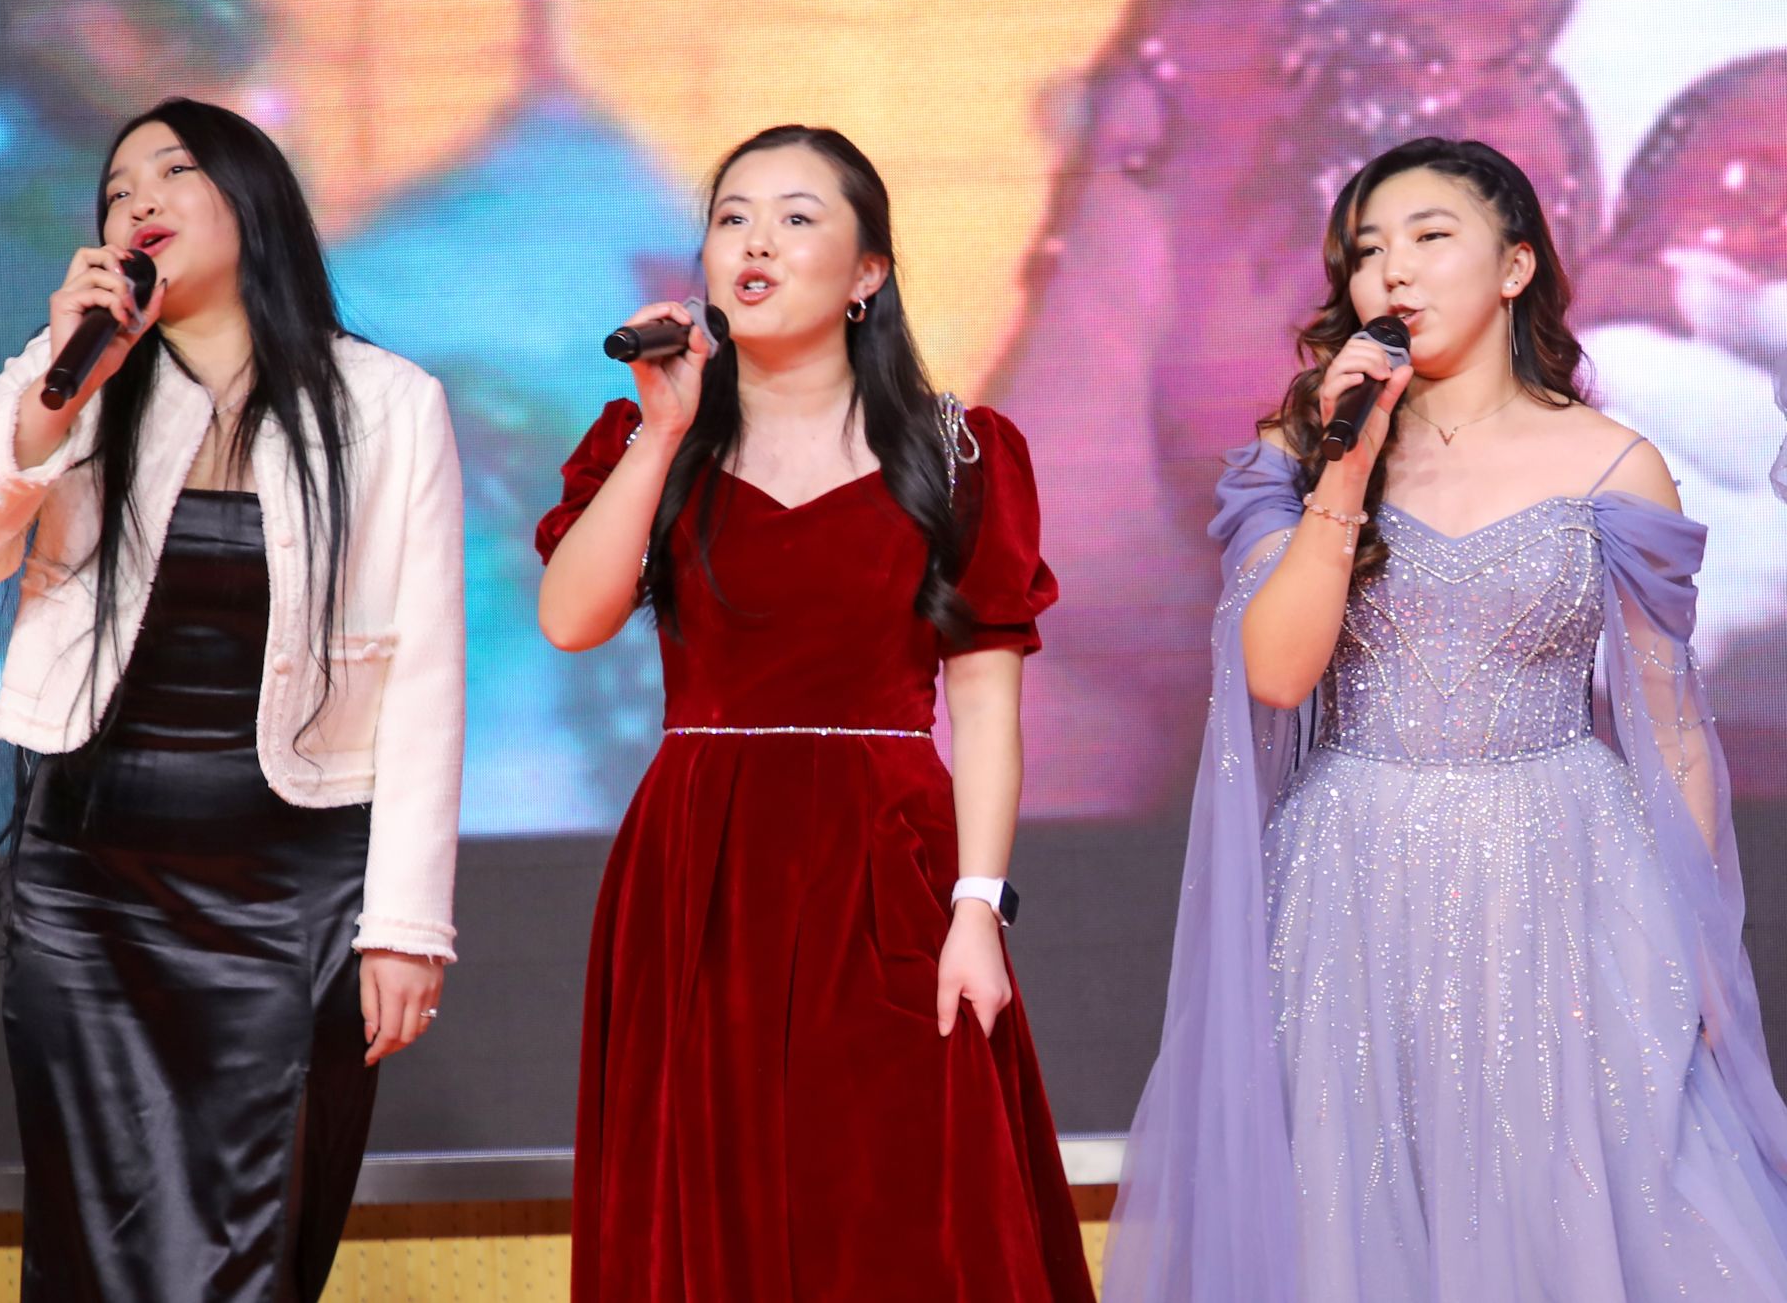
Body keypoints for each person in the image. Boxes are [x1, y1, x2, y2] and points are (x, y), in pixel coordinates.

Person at [1102, 136, 1787, 1302]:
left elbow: (1671, 725)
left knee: (1588, 1199)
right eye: (1368, 250)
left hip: (1565, 876)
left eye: (1429, 237)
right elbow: (1277, 673)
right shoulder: (1295, 457)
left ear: (1513, 266)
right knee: (1353, 1207)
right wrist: (1343, 468)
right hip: (1352, 878)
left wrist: (1697, 942)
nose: (1394, 271)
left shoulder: (1612, 464)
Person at [0, 97, 464, 1301]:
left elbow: (423, 676)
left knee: (255, 1243)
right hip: (92, 881)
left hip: (293, 887)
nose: (138, 200)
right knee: (95, 1250)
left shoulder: (385, 403)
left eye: (172, 172)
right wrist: (54, 395)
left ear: (252, 200)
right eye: (116, 190)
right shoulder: (76, 376)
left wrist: (406, 925)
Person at [536, 124, 1093, 1302]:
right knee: (714, 1198)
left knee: (897, 1202)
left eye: (796, 219)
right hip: (700, 863)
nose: (756, 242)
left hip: (885, 860)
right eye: (731, 218)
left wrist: (976, 908)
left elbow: (985, 704)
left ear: (866, 273)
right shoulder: (649, 439)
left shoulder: (959, 452)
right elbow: (571, 619)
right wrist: (662, 431)